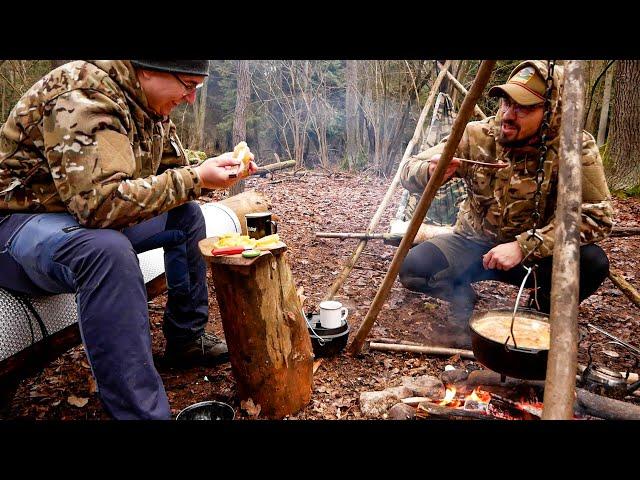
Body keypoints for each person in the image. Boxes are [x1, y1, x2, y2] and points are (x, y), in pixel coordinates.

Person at [0, 60, 257, 419]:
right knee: (106, 251)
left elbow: (172, 175)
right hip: (19, 226)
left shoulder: (147, 103)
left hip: (76, 217)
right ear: (149, 68)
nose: (191, 100)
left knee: (184, 217)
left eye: (197, 87)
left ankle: (186, 338)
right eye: (187, 85)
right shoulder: (83, 96)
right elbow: (100, 206)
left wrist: (214, 169)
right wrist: (196, 179)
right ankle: (142, 413)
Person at [398, 60, 613, 348]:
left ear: (552, 112)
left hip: (534, 258)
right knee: (412, 267)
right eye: (506, 103)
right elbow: (409, 170)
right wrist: (429, 172)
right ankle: (463, 296)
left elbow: (597, 217)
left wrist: (526, 245)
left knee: (593, 262)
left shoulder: (575, 148)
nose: (508, 115)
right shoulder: (478, 135)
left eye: (523, 108)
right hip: (472, 244)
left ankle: (537, 313)